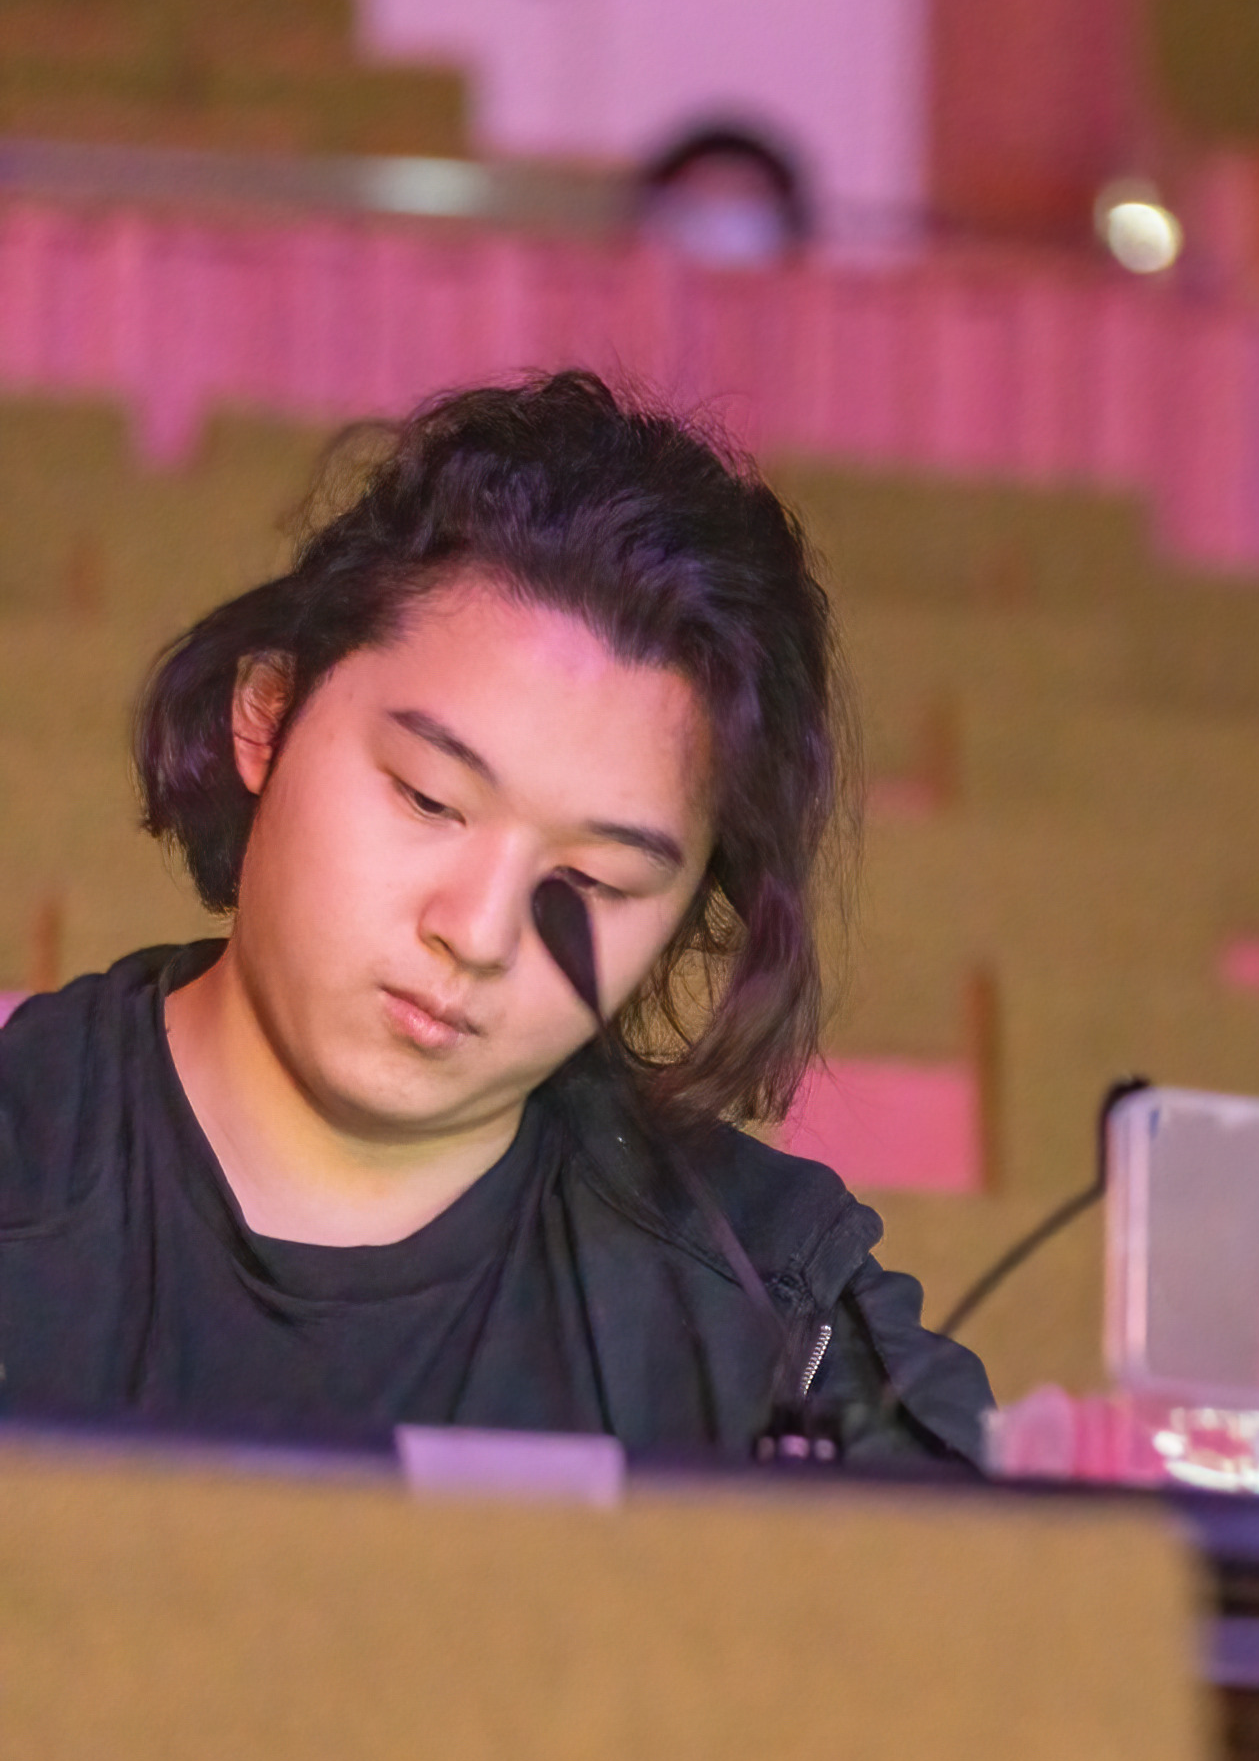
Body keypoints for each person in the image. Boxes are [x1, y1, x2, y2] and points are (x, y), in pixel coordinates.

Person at [0, 372, 992, 1461]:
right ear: (267, 716)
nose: (476, 933)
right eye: (430, 799)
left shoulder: (765, 1315)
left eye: (596, 884)